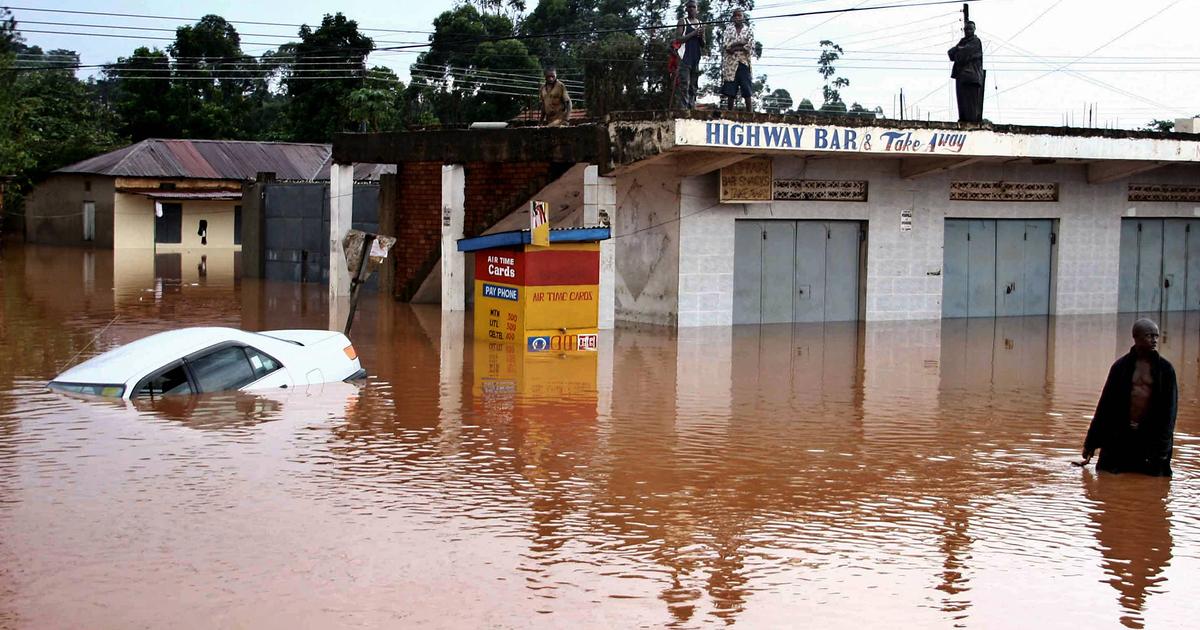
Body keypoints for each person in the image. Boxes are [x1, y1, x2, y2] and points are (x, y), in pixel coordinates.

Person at [1081, 318, 1178, 476]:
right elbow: (1105, 407)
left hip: (1150, 436)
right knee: (1107, 478)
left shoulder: (1165, 370)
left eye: (1156, 336)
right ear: (1136, 337)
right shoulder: (1120, 367)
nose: (1154, 340)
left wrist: (1163, 448)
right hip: (1120, 434)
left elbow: (1169, 413)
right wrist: (1091, 443)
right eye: (1149, 336)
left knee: (1152, 486)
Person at [946, 20, 984, 123]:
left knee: (970, 105)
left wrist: (959, 50)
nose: (968, 31)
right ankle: (963, 120)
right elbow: (951, 54)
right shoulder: (962, 42)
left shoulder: (976, 41)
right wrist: (959, 48)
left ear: (974, 29)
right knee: (962, 103)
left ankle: (970, 122)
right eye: (966, 29)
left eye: (970, 29)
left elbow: (963, 55)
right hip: (961, 77)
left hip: (971, 77)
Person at [720, 9, 754, 112]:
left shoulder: (748, 30)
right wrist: (740, 44)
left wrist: (735, 45)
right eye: (736, 16)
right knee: (731, 91)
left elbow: (750, 46)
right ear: (733, 18)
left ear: (743, 17)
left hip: (744, 63)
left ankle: (750, 115)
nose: (738, 18)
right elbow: (727, 46)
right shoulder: (728, 30)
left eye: (740, 16)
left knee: (747, 90)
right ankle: (730, 114)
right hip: (731, 64)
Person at [674, 0, 705, 109]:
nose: (692, 9)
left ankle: (691, 108)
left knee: (693, 86)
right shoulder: (683, 21)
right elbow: (678, 39)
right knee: (684, 84)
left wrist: (701, 36)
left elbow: (703, 44)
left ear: (697, 9)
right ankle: (683, 109)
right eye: (690, 7)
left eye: (694, 7)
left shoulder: (700, 24)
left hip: (695, 58)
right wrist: (693, 33)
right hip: (684, 58)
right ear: (686, 9)